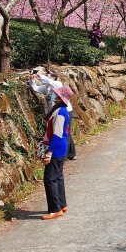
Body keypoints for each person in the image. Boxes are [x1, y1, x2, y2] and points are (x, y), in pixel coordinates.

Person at [29, 67, 75, 160]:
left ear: (53, 77)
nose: (45, 77)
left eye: (48, 75)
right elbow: (35, 88)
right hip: (55, 112)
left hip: (66, 110)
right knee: (60, 132)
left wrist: (39, 75)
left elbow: (50, 82)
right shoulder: (46, 88)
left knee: (64, 132)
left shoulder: (58, 84)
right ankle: (71, 153)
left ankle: (65, 155)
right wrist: (31, 79)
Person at [40, 90, 72, 220]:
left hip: (57, 149)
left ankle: (55, 209)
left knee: (50, 178)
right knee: (58, 177)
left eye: (56, 94)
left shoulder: (60, 112)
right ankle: (62, 204)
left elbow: (57, 134)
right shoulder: (61, 110)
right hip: (61, 147)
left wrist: (49, 153)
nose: (54, 95)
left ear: (60, 97)